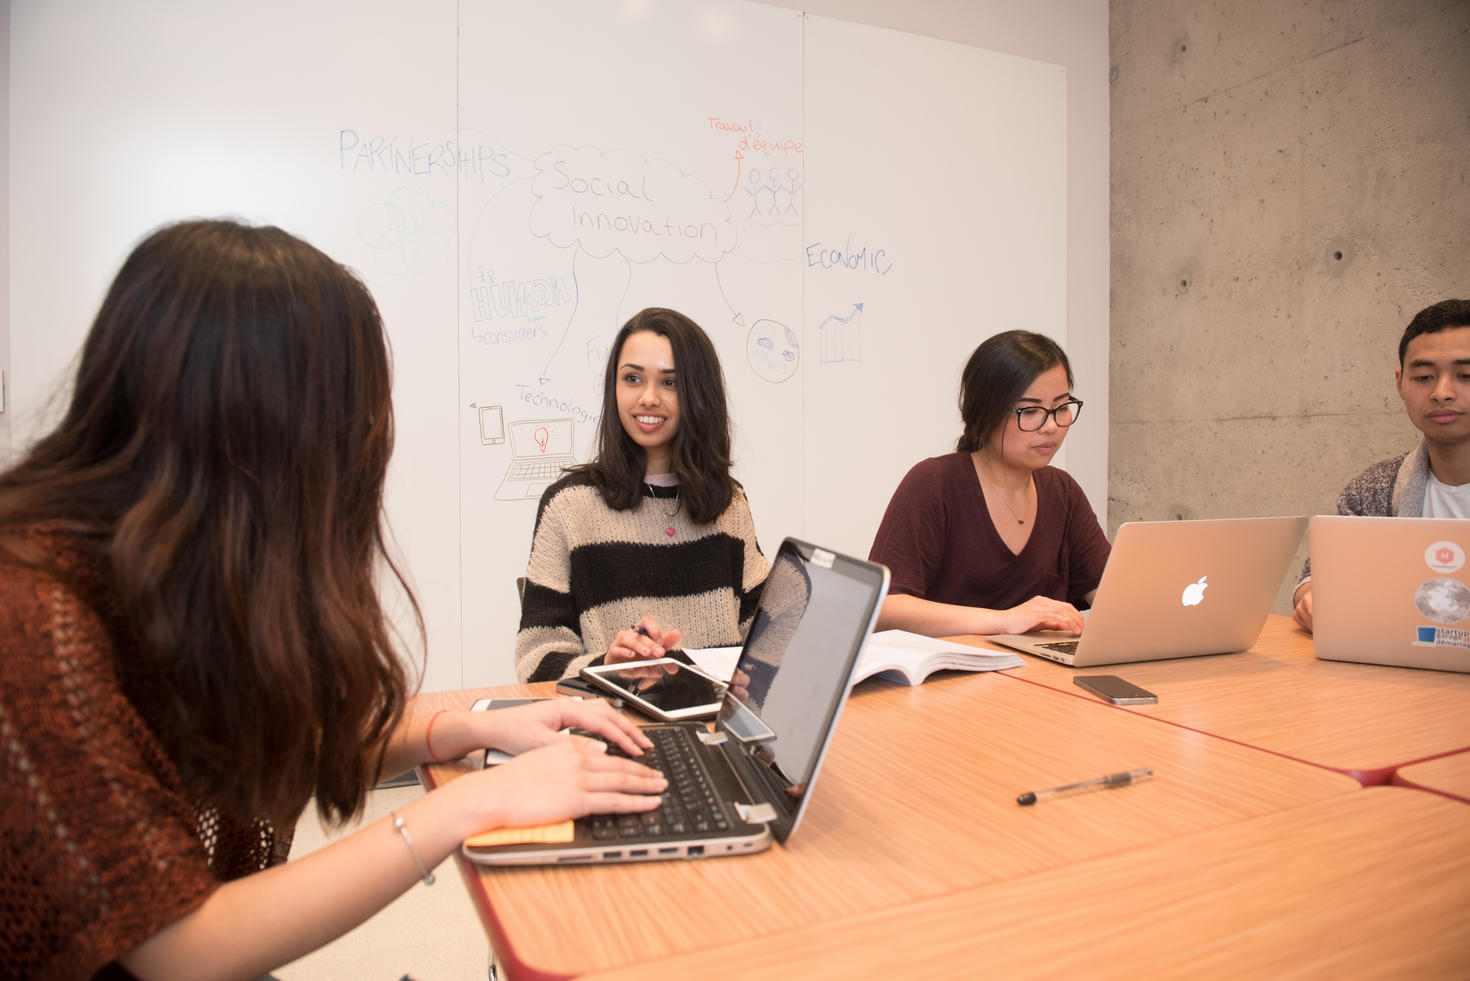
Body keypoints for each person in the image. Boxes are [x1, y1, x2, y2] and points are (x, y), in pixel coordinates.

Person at [0, 220, 666, 980]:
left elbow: (264, 739)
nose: (370, 440)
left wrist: (467, 730)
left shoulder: (152, 565)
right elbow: (178, 943)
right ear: (263, 428)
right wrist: (469, 805)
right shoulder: (32, 617)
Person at [515, 307, 769, 682]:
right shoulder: (569, 506)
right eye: (632, 378)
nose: (648, 397)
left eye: (670, 382)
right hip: (615, 724)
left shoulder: (730, 504)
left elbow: (765, 637)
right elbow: (535, 661)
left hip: (716, 721)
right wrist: (606, 667)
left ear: (699, 393)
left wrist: (755, 671)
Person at [868, 329, 1110, 636]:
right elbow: (886, 608)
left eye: (1061, 408)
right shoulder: (934, 483)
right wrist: (1005, 621)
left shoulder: (1063, 491)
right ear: (987, 412)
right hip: (951, 674)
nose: (1051, 426)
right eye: (1031, 411)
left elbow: (1108, 595)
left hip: (1038, 674)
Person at [1293, 299, 1470, 631]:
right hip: (1399, 670)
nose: (1442, 392)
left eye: (1466, 375)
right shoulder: (1375, 488)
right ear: (1400, 383)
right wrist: (1313, 598)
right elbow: (1313, 578)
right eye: (1424, 377)